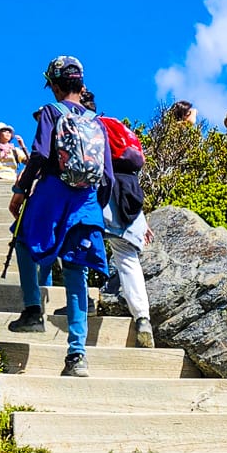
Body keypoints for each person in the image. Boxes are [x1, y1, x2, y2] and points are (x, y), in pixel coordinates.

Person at [7, 57, 113, 378]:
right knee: (76, 273)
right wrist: (94, 207)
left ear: (54, 85)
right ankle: (77, 355)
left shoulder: (52, 112)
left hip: (52, 195)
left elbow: (39, 153)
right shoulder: (98, 121)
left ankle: (33, 310)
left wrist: (21, 189)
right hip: (85, 203)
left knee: (23, 239)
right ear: (81, 85)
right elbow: (106, 174)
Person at [82, 93, 155, 349]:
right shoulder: (115, 125)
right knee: (127, 259)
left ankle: (82, 304)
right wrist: (141, 219)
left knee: (78, 247)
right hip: (130, 194)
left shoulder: (86, 127)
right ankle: (143, 319)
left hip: (102, 193)